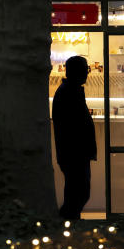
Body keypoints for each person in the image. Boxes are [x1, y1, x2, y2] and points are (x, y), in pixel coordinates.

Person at [52, 56, 97, 220]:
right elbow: (72, 125)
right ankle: (67, 223)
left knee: (77, 192)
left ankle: (70, 223)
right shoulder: (69, 92)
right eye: (85, 68)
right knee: (79, 192)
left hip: (74, 153)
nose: (87, 72)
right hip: (74, 153)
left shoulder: (70, 90)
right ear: (76, 71)